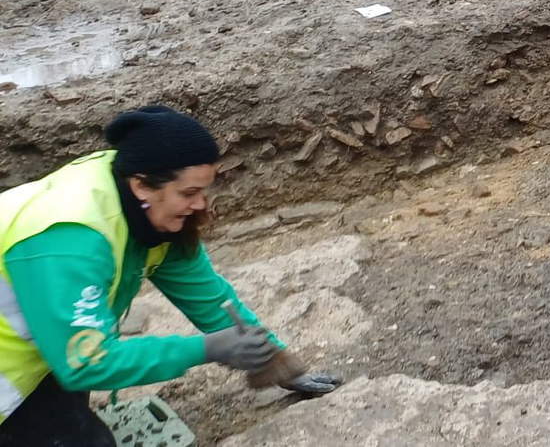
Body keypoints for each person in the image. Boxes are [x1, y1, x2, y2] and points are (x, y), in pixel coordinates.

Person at [0, 107, 339, 445]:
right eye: (189, 193)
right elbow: (87, 363)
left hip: (50, 347)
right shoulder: (71, 238)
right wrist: (205, 349)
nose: (201, 204)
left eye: (203, 191)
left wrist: (273, 358)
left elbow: (206, 294)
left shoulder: (139, 201)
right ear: (142, 186)